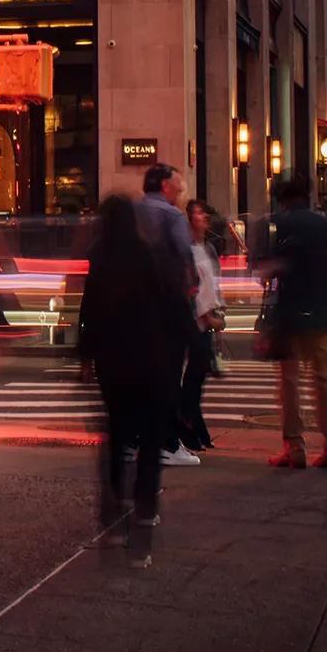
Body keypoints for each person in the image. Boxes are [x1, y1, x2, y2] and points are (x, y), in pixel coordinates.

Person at [77, 195, 193, 568]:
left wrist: (85, 357)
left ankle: (113, 518)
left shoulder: (101, 263)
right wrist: (193, 349)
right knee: (151, 439)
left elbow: (89, 311)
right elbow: (175, 307)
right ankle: (144, 511)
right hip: (153, 362)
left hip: (114, 363)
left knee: (117, 435)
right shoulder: (152, 258)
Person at [256, 172, 327, 469]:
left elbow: (263, 272)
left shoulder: (274, 225)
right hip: (320, 312)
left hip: (287, 314)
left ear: (281, 200)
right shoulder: (326, 226)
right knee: (322, 380)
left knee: (290, 382)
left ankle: (294, 447)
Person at [138, 164, 201, 467]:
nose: (181, 188)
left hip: (137, 304)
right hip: (168, 304)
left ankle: (137, 439)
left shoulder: (132, 213)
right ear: (164, 185)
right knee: (172, 371)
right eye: (178, 183)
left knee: (143, 373)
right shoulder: (173, 216)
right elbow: (184, 258)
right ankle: (168, 442)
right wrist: (190, 289)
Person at [172, 199, 226, 453]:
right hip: (193, 320)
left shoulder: (208, 248)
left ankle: (194, 428)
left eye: (205, 212)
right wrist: (205, 317)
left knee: (198, 376)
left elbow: (213, 284)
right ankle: (188, 427)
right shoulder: (186, 249)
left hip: (208, 319)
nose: (204, 216)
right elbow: (189, 288)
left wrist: (219, 311)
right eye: (198, 213)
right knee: (193, 376)